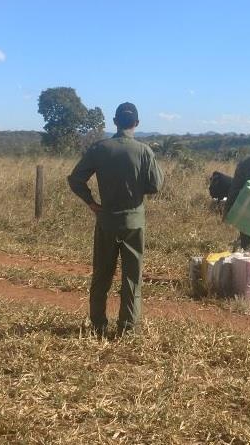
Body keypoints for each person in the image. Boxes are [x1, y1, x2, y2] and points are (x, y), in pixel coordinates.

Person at [68, 102, 164, 337]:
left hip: (107, 220)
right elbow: (156, 185)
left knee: (102, 274)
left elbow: (75, 179)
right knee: (132, 277)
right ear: (137, 124)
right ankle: (127, 329)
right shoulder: (144, 151)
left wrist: (92, 202)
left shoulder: (99, 148)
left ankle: (98, 326)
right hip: (134, 223)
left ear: (115, 121)